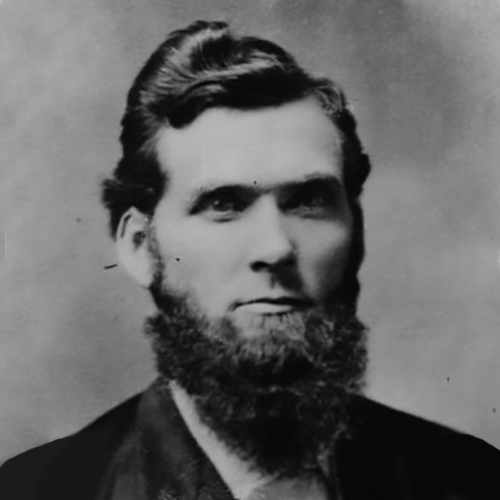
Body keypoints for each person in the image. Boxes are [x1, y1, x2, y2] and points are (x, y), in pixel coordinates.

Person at [0, 19, 498, 500]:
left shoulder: (474, 481)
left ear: (357, 227)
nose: (276, 247)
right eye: (223, 205)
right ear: (138, 245)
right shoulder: (37, 492)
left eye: (309, 200)